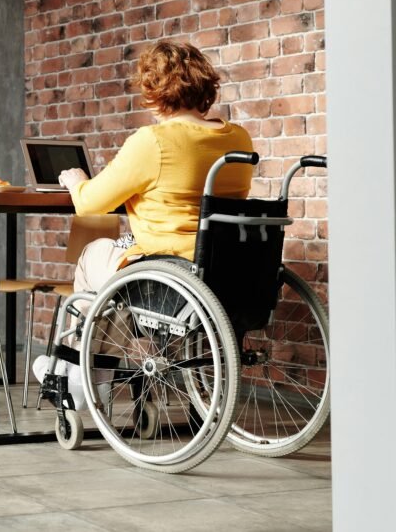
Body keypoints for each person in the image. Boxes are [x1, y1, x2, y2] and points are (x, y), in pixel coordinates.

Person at [34, 40, 254, 386]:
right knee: (119, 262)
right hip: (227, 273)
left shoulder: (152, 141)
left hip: (170, 276)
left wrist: (77, 181)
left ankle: (81, 373)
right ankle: (96, 368)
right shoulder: (239, 139)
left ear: (154, 91)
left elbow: (92, 204)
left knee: (94, 255)